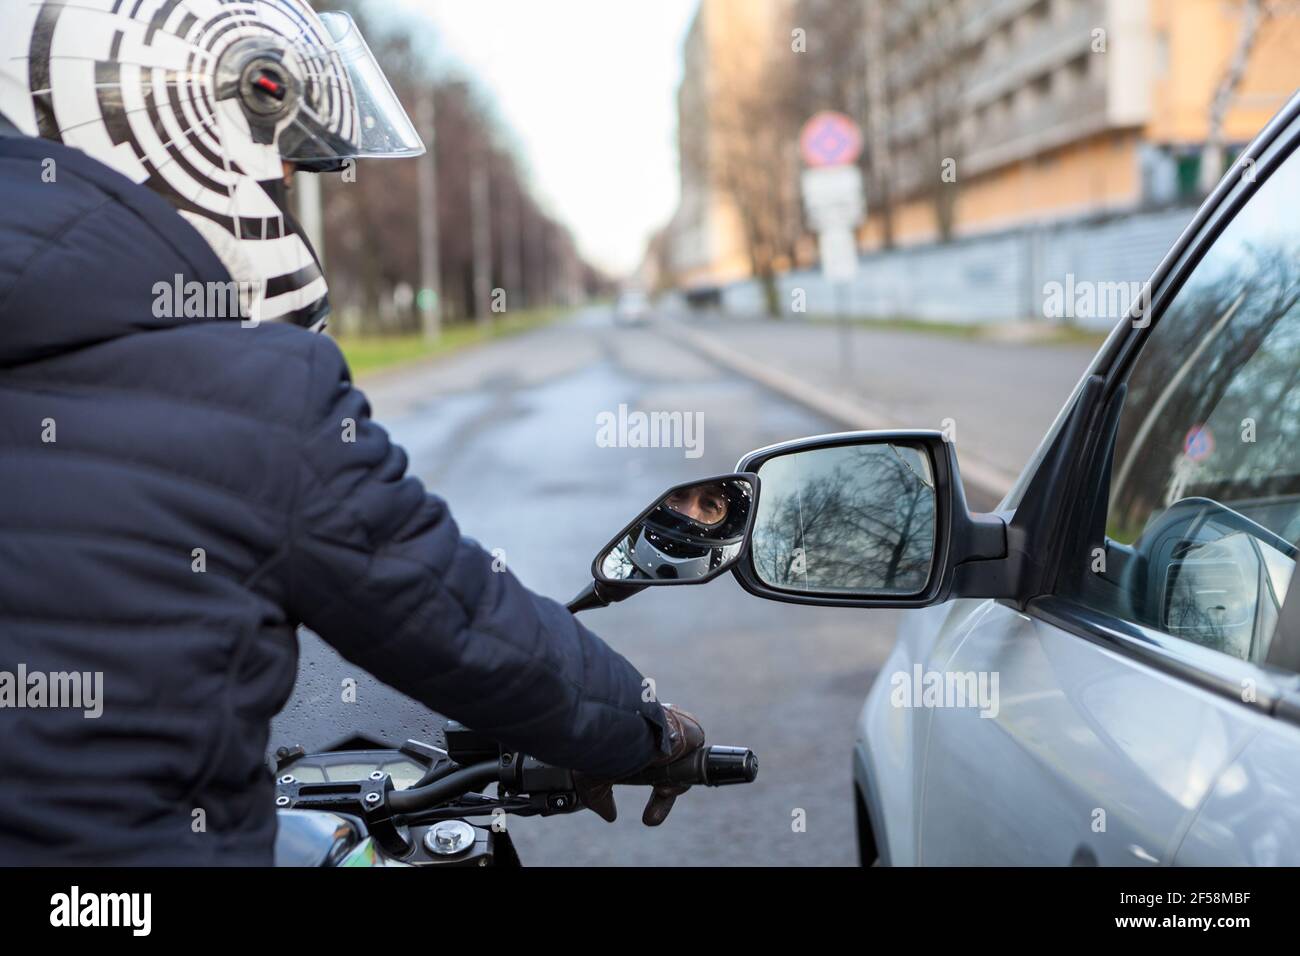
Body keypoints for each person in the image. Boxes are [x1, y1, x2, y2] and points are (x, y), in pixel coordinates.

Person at [0, 0, 701, 864]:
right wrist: (646, 730)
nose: (285, 194)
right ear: (166, 129)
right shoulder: (251, 394)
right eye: (280, 165)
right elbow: (460, 621)